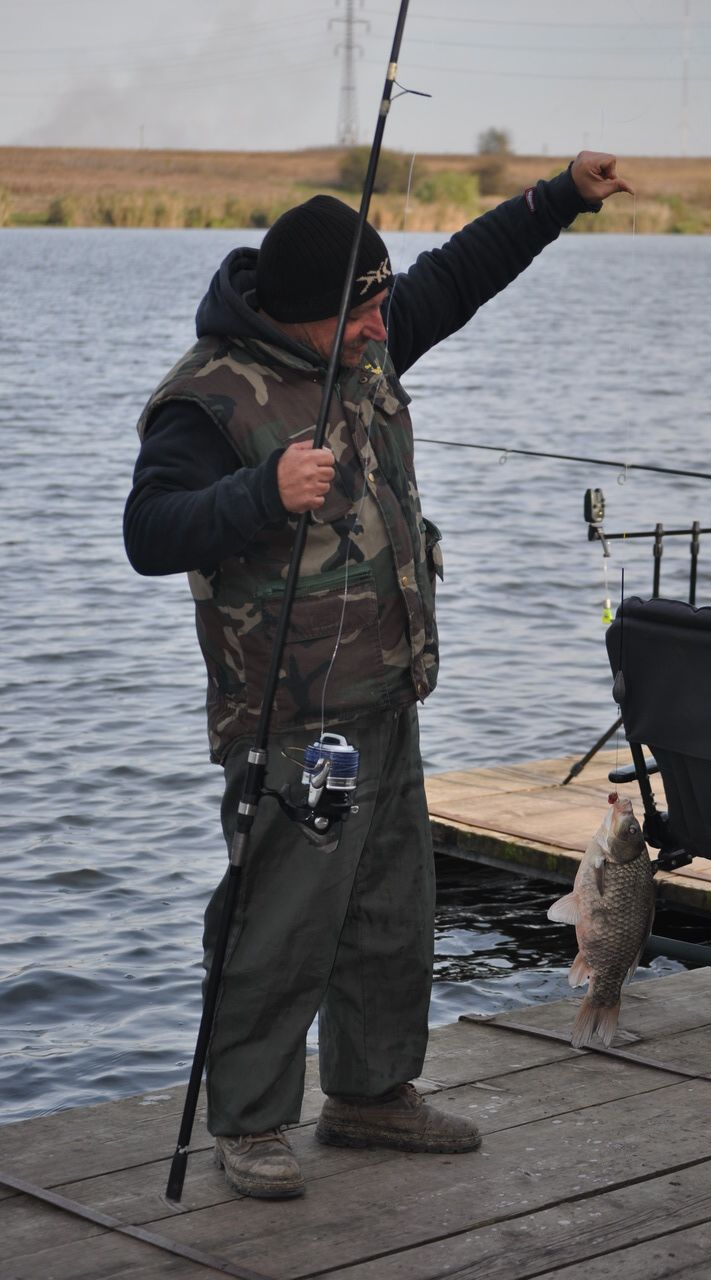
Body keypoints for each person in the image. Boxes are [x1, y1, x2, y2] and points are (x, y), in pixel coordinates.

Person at [124, 150, 632, 1199]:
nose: (378, 326)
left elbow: (462, 272)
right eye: (359, 311)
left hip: (387, 696)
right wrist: (261, 491)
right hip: (292, 721)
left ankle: (370, 1093)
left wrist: (560, 197)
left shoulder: (365, 341)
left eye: (379, 306)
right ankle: (250, 1122)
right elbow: (149, 531)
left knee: (392, 911)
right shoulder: (206, 399)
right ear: (305, 310)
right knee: (280, 921)